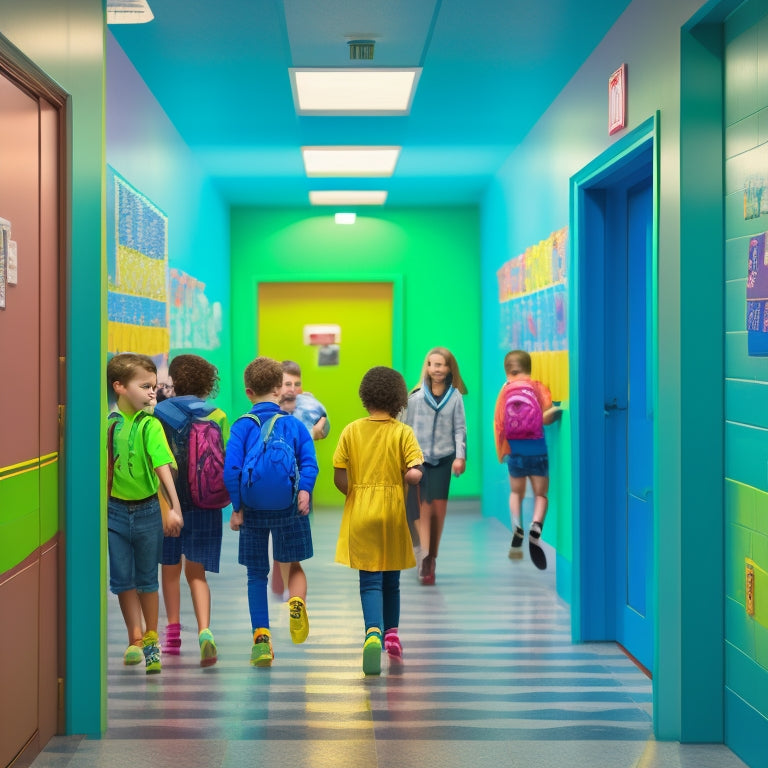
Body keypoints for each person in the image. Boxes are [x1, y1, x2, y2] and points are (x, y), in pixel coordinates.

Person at [224, 356, 319, 666]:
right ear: (280, 389)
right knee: (293, 565)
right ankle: (296, 601)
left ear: (249, 392)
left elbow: (232, 470)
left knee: (256, 575)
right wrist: (304, 491)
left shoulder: (242, 426)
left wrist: (237, 509)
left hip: (251, 510)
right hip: (289, 506)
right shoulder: (294, 424)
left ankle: (262, 640)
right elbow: (309, 462)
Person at [333, 366, 424, 675]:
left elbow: (340, 477)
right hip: (392, 515)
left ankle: (372, 632)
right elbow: (415, 469)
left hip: (361, 513)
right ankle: (393, 634)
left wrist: (356, 494)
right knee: (392, 579)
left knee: (369, 580)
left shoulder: (351, 430)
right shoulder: (403, 432)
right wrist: (410, 475)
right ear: (399, 399)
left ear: (365, 396)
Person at [106, 352, 183, 674]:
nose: (153, 392)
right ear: (119, 387)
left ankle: (151, 638)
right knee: (122, 580)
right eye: (145, 386)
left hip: (149, 510)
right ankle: (134, 638)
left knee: (147, 580)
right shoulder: (109, 425)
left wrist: (174, 507)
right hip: (114, 513)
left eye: (155, 386)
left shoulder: (150, 424)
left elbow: (162, 466)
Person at [154, 354, 229, 667]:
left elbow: (156, 461)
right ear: (207, 384)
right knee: (196, 574)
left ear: (173, 381)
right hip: (205, 503)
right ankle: (205, 631)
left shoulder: (160, 412)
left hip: (170, 504)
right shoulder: (218, 414)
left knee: (170, 571)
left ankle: (172, 635)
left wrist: (167, 506)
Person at [403, 347, 467, 585]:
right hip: (417, 461)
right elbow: (404, 428)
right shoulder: (416, 397)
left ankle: (430, 557)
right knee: (418, 509)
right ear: (427, 367)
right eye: (432, 364)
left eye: (441, 365)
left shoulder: (455, 397)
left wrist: (460, 457)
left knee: (436, 510)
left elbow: (460, 428)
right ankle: (423, 553)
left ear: (450, 368)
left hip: (444, 459)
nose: (436, 369)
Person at [493, 349, 560, 570]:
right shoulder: (537, 386)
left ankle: (516, 526)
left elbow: (500, 422)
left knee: (516, 492)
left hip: (515, 451)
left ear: (507, 371)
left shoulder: (505, 391)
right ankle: (536, 526)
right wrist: (558, 411)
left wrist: (502, 451)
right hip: (537, 450)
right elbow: (547, 417)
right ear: (530, 368)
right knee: (540, 494)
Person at [271, 360, 330, 598]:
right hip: (274, 484)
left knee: (292, 538)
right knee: (278, 534)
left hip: (302, 484)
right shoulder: (269, 407)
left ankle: (293, 593)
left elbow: (324, 428)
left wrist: (318, 429)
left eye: (296, 384)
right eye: (287, 383)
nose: (292, 388)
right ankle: (279, 570)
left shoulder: (308, 407)